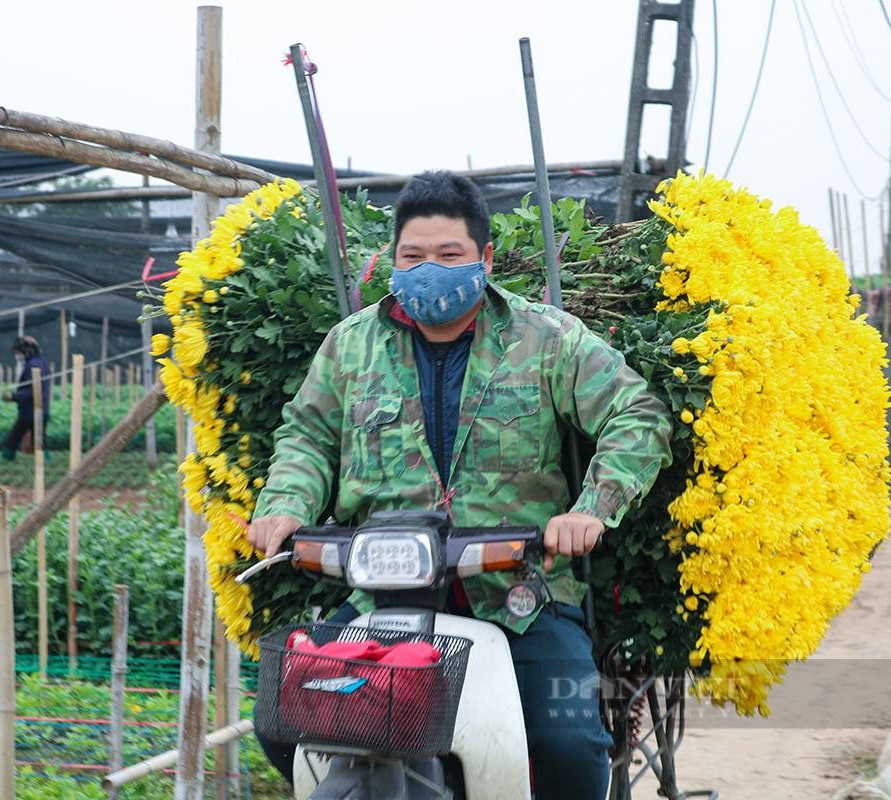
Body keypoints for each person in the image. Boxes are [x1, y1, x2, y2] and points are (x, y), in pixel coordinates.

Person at [247, 171, 674, 799]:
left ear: (485, 259)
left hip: (519, 594)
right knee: (283, 718)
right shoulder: (350, 346)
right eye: (412, 256)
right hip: (380, 600)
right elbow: (307, 437)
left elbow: (637, 415)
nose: (429, 271)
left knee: (568, 747)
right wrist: (283, 506)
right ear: (390, 260)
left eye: (449, 256)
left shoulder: (546, 338)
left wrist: (591, 510)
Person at [0, 335, 51, 461]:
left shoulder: (34, 365)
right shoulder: (41, 362)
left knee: (14, 438)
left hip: (31, 410)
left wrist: (13, 396)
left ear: (26, 351)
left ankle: (7, 459)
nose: (17, 356)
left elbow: (33, 389)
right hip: (40, 409)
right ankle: (46, 461)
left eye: (18, 352)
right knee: (39, 440)